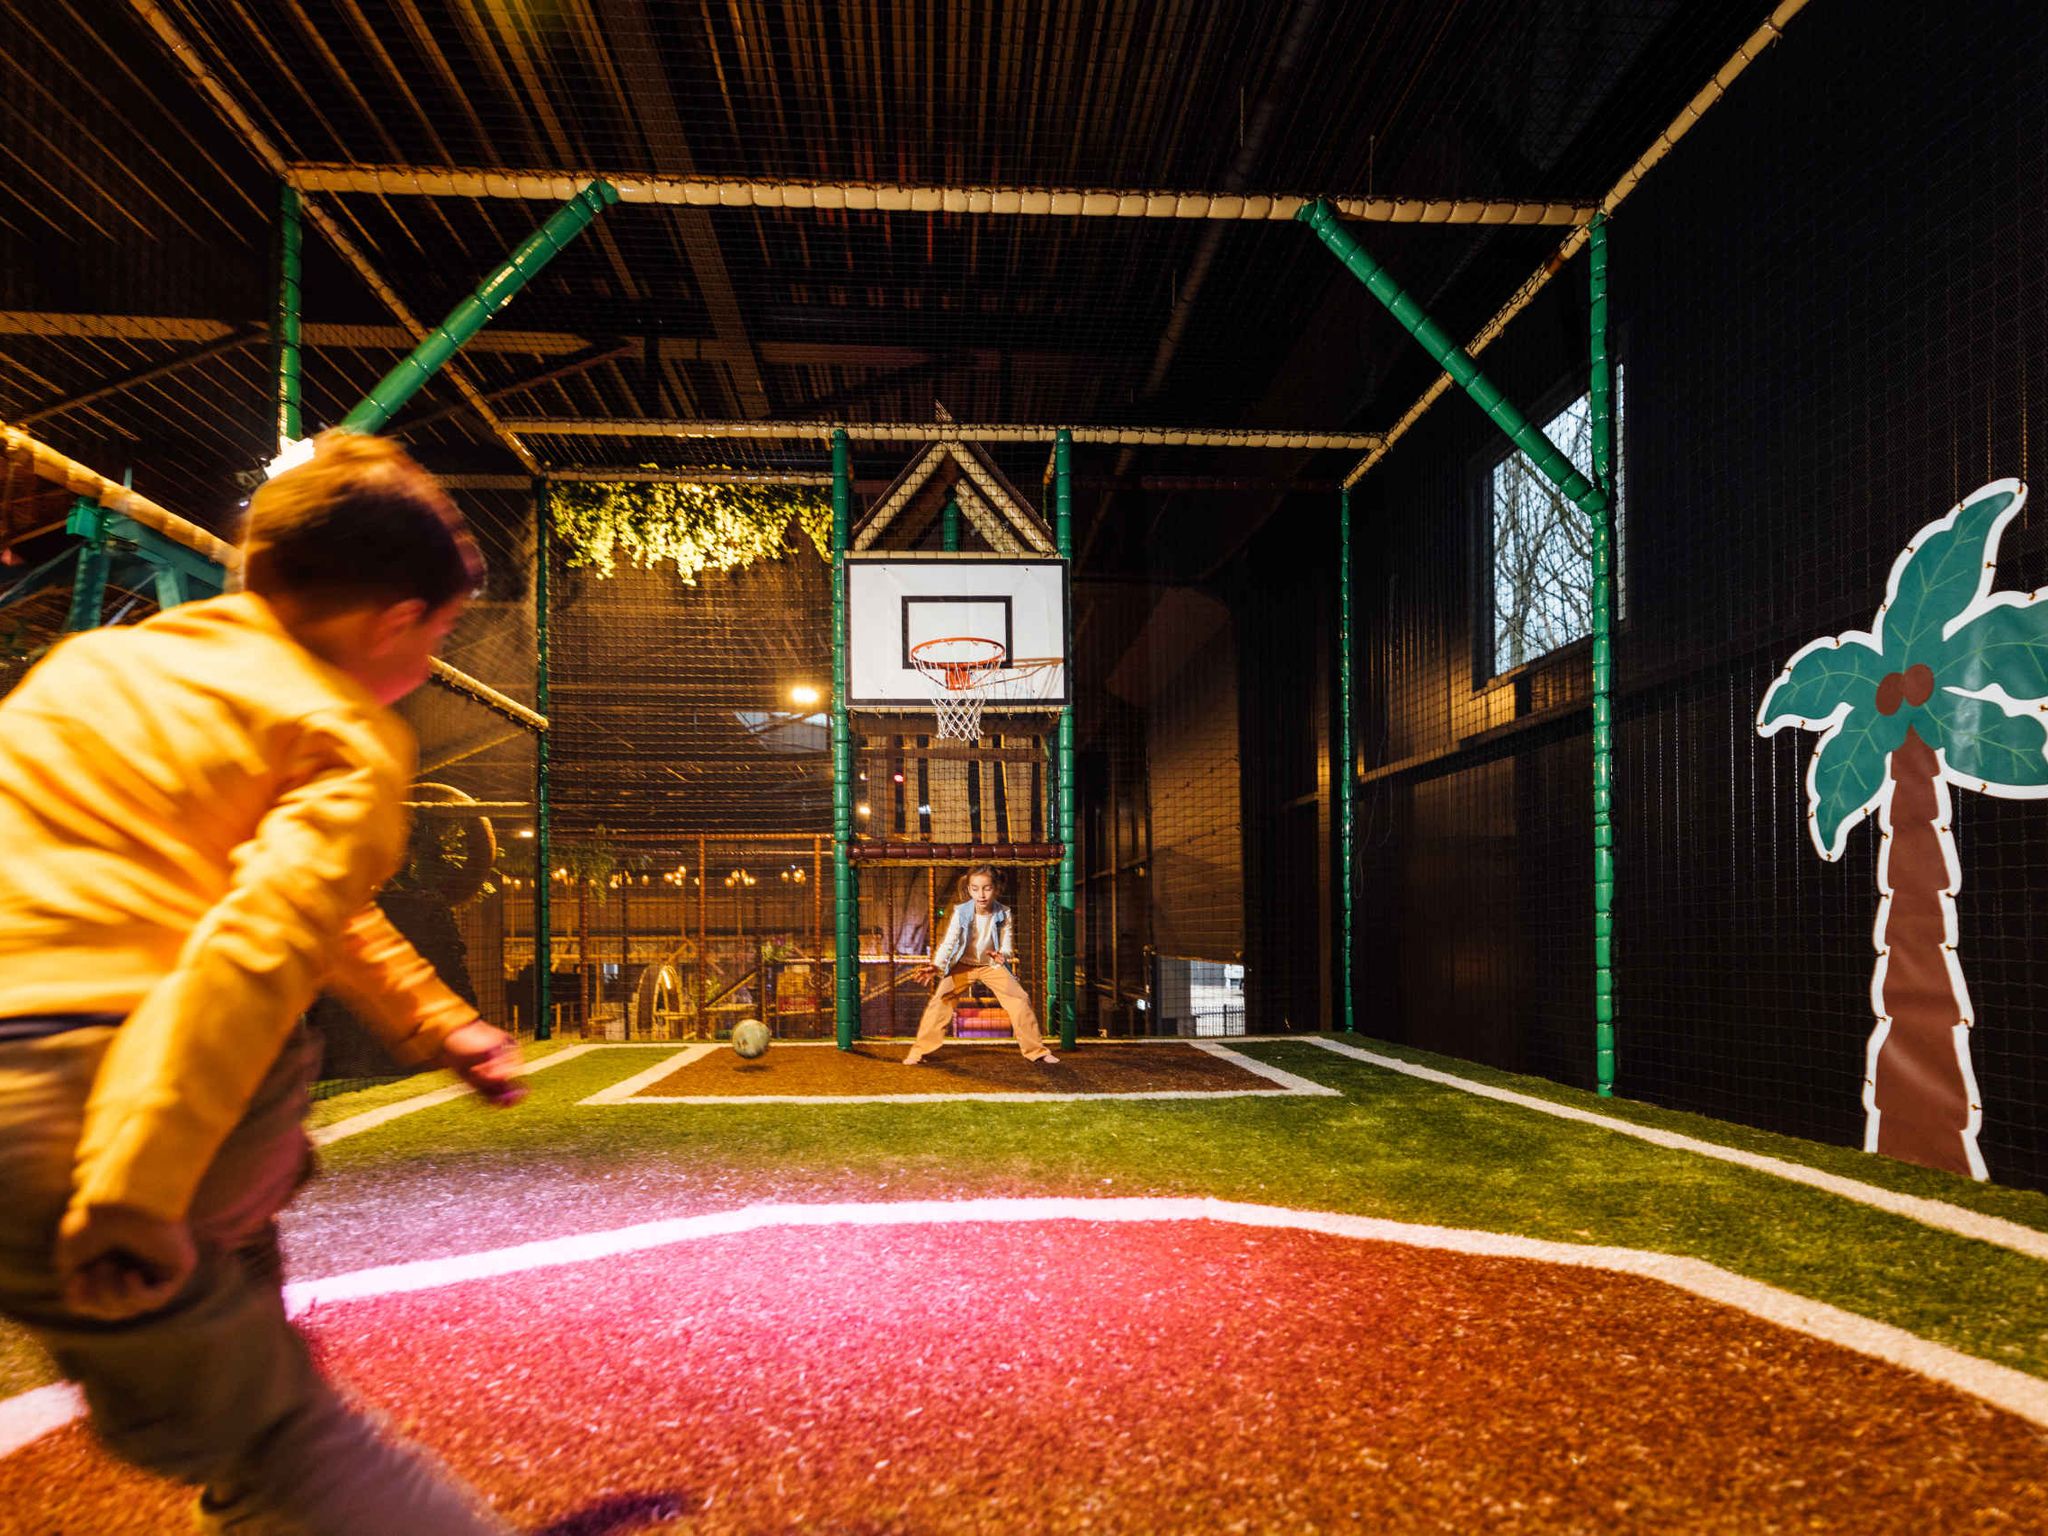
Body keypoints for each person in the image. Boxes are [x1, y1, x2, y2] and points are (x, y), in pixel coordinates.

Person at [0, 431, 523, 1534]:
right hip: (117, 1109)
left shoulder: (92, 670)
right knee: (287, 1442)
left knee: (240, 1329)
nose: (427, 666)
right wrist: (136, 1183)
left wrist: (437, 1024)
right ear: (394, 620)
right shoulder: (340, 732)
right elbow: (257, 941)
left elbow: (287, 902)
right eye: (438, 635)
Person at [904, 866, 1059, 1066]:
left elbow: (1007, 944)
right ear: (969, 890)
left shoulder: (1004, 913)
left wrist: (1002, 955)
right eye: (975, 889)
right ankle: (919, 1051)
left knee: (1020, 999)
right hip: (963, 965)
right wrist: (936, 965)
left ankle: (1036, 1051)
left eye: (986, 888)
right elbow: (949, 942)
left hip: (990, 965)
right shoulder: (961, 912)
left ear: (995, 889)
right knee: (940, 1001)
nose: (981, 894)